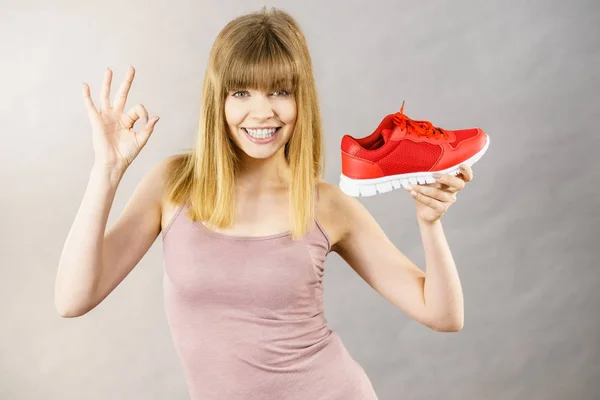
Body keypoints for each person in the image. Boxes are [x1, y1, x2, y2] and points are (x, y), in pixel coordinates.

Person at [55, 7, 473, 400]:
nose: (262, 111)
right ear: (217, 100)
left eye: (280, 91)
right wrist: (106, 172)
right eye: (241, 92)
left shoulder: (326, 205)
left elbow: (442, 315)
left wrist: (429, 223)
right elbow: (73, 299)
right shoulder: (174, 184)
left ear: (300, 99)